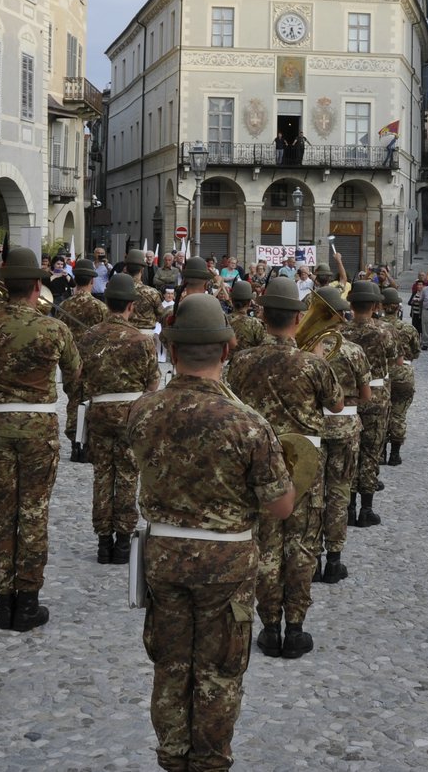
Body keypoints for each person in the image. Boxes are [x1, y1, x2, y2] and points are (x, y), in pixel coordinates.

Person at [129, 294, 294, 772]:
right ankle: (209, 762)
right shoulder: (249, 424)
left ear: (173, 352)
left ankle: (172, 757)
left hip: (163, 556)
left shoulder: (143, 411)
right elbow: (281, 506)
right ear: (226, 352)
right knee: (219, 673)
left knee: (170, 666)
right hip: (226, 563)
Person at [225, 276, 342, 659]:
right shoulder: (313, 364)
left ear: (262, 314)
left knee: (265, 546)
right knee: (303, 546)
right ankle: (296, 628)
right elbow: (337, 406)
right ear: (297, 317)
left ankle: (269, 626)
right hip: (305, 468)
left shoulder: (241, 361)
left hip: (257, 465)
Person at [0, 247, 81, 631]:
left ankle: (3, 601)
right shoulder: (54, 329)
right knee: (33, 513)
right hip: (38, 427)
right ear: (37, 285)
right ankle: (27, 602)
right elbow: (76, 374)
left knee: (3, 513)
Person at [74, 274, 160, 564]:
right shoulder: (141, 340)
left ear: (106, 302)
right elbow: (153, 384)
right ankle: (123, 542)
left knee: (102, 474)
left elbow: (78, 380)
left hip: (99, 411)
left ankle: (102, 542)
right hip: (130, 413)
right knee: (126, 475)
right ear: (131, 307)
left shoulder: (89, 336)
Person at [317, 287, 368, 583]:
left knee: (311, 495)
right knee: (338, 492)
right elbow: (366, 394)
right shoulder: (353, 351)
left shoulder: (307, 347)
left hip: (315, 428)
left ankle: (310, 561)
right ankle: (334, 560)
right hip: (346, 426)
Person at [341, 280, 395, 526]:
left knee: (351, 451)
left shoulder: (341, 332)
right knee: (371, 452)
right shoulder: (384, 331)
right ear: (375, 305)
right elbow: (394, 361)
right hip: (377, 396)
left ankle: (349, 507)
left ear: (351, 305)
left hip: (349, 396)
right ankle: (367, 509)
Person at [55, 258, 108, 463]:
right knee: (91, 402)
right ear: (92, 282)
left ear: (75, 280)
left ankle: (75, 443)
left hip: (71, 361)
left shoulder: (64, 305)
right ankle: (87, 443)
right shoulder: (100, 308)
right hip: (93, 362)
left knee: (74, 401)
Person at [381, 286, 419, 466]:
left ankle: (380, 452)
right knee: (399, 413)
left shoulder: (377, 327)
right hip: (403, 373)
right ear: (398, 307)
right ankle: (395, 453)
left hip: (381, 374)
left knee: (380, 414)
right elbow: (416, 352)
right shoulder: (408, 328)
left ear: (381, 306)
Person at [226, 280, 266, 352]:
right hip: (247, 361)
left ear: (232, 301)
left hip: (224, 362)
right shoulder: (255, 324)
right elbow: (263, 347)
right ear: (250, 302)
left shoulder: (223, 320)